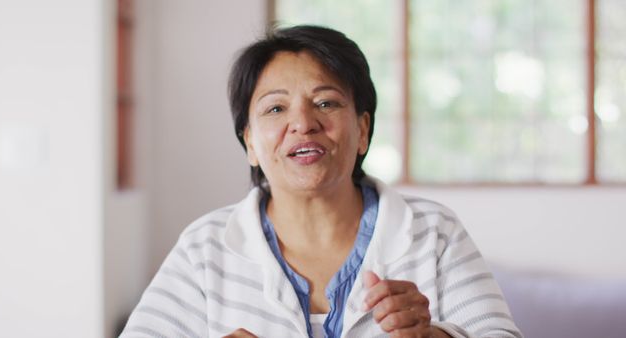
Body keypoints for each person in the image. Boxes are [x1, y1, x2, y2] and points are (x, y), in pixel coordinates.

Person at [120, 25, 523, 338]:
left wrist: (434, 336)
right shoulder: (203, 246)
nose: (303, 124)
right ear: (250, 143)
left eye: (326, 102)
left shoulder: (433, 231)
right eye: (276, 108)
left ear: (363, 129)